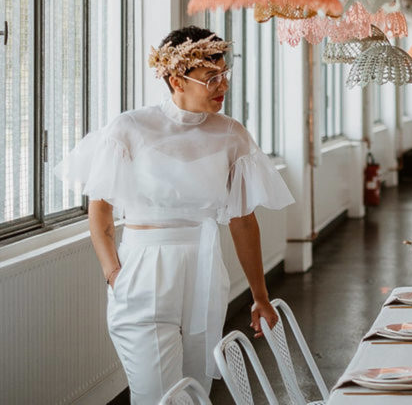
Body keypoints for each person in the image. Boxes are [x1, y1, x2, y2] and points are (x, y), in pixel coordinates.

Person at [55, 26, 294, 404]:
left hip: (204, 269)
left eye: (224, 74)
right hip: (142, 271)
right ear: (174, 79)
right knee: (156, 395)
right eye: (211, 78)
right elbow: (100, 209)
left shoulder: (232, 135)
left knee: (195, 389)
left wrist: (260, 296)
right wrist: (114, 274)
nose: (223, 86)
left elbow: (243, 221)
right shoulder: (130, 127)